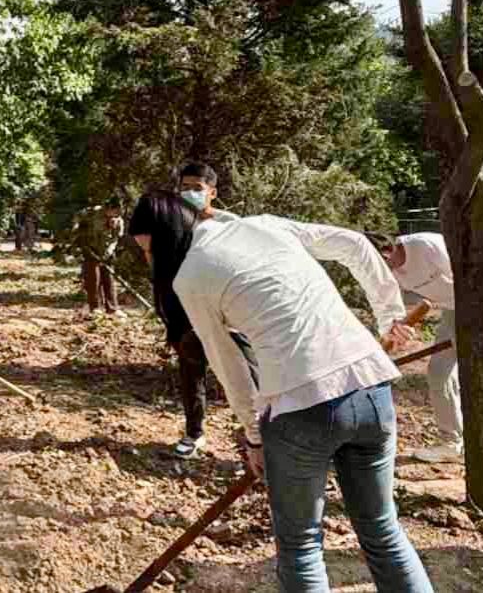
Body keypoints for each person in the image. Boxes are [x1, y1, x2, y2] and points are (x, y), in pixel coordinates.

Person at [130, 193, 431, 593]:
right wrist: (390, 314)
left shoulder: (190, 277)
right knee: (383, 531)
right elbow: (354, 243)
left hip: (300, 407)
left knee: (302, 546)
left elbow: (230, 367)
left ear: (168, 235)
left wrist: (254, 437)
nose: (150, 261)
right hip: (370, 387)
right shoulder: (264, 225)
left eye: (149, 250)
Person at [366, 231, 483, 462]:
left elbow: (475, 277)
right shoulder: (385, 270)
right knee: (439, 372)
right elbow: (390, 307)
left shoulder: (427, 247)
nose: (373, 272)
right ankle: (451, 443)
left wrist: (475, 328)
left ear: (386, 253)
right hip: (454, 308)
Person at [166, 162, 245, 458]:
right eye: (184, 187)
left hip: (232, 314)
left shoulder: (231, 224)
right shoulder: (173, 225)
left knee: (246, 376)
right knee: (191, 373)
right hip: (189, 313)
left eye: (197, 188)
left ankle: (259, 438)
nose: (189, 193)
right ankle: (194, 433)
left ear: (212, 192)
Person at [70, 195, 126, 318]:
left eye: (118, 212)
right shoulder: (92, 212)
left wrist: (109, 251)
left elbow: (116, 239)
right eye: (114, 210)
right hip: (90, 249)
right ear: (108, 207)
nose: (115, 214)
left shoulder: (118, 220)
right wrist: (77, 237)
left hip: (106, 252)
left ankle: (112, 309)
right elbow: (76, 221)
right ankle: (95, 308)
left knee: (109, 279)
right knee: (94, 279)